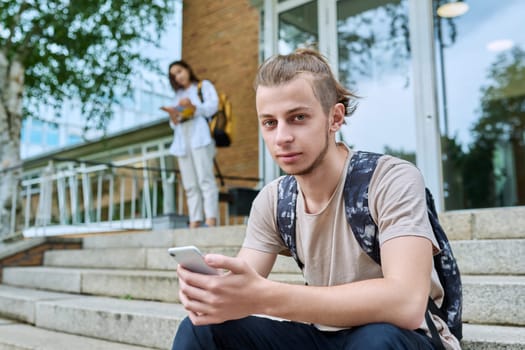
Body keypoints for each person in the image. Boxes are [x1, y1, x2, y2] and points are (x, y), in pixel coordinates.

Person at [171, 49, 461, 349]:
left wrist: (266, 296)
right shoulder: (273, 199)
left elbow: (407, 303)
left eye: (298, 118)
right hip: (321, 336)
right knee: (200, 331)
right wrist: (212, 292)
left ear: (335, 118)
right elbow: (244, 283)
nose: (282, 137)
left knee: (377, 341)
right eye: (270, 123)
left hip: (403, 336)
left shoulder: (390, 178)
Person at [161, 60, 219, 229]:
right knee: (189, 183)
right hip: (182, 139)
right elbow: (174, 124)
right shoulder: (177, 96)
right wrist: (173, 115)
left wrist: (194, 107)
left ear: (187, 69)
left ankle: (210, 219)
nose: (178, 77)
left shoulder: (203, 86)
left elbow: (212, 107)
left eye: (179, 71)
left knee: (205, 179)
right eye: (174, 75)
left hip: (200, 136)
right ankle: (195, 219)